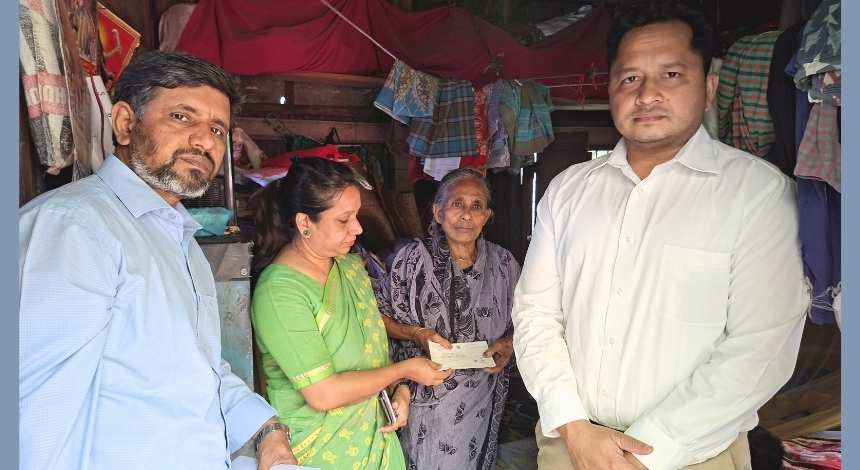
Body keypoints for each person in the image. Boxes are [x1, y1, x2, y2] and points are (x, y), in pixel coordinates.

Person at [511, 2, 809, 470]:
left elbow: (760, 347)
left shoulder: (758, 195)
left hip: (693, 454)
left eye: (671, 74)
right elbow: (535, 314)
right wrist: (572, 423)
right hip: (572, 446)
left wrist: (650, 451)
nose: (647, 94)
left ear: (708, 88)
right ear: (611, 88)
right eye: (630, 77)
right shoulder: (568, 191)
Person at [19, 51, 295, 469]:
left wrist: (266, 428)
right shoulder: (73, 228)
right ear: (125, 124)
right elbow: (35, 419)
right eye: (182, 117)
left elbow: (202, 367)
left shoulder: (181, 239)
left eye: (217, 129)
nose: (205, 141)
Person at [250, 157, 453, 470]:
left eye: (356, 215)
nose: (358, 228)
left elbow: (368, 336)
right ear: (305, 223)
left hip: (375, 438)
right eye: (344, 220)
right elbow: (323, 394)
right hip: (318, 452)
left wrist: (399, 390)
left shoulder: (348, 266)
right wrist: (404, 371)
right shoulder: (280, 293)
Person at [375, 168, 521, 470]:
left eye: (476, 205)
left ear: (487, 216)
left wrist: (509, 343)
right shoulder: (410, 261)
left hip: (483, 396)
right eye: (457, 204)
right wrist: (416, 334)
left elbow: (529, 321)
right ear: (438, 212)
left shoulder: (504, 264)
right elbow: (378, 320)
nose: (467, 214)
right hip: (422, 395)